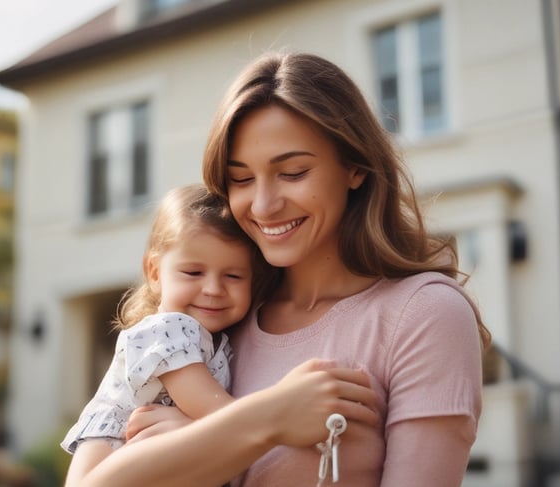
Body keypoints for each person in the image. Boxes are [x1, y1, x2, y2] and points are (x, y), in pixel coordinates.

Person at [65, 51, 490, 487]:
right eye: (242, 180)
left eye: (292, 172)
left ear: (356, 168)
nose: (264, 205)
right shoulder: (213, 318)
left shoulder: (422, 315)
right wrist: (264, 421)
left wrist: (200, 448)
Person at [62, 184, 273, 476]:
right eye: (193, 272)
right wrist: (280, 422)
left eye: (234, 276)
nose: (213, 289)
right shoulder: (167, 330)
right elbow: (213, 409)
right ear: (155, 272)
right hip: (108, 462)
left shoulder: (216, 341)